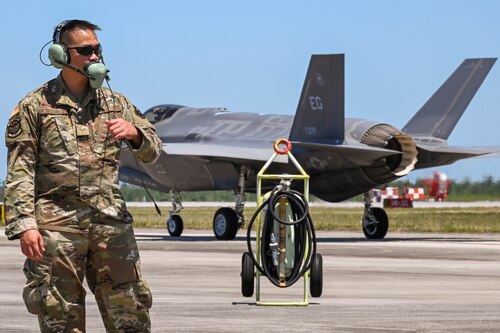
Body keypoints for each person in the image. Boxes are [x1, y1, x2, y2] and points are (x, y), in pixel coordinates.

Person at [4, 19, 162, 333]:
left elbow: (153, 151)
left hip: (110, 226)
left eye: (98, 50)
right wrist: (25, 225)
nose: (95, 57)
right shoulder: (35, 106)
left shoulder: (115, 103)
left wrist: (134, 134)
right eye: (86, 50)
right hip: (57, 229)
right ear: (60, 55)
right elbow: (20, 171)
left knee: (131, 315)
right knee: (60, 320)